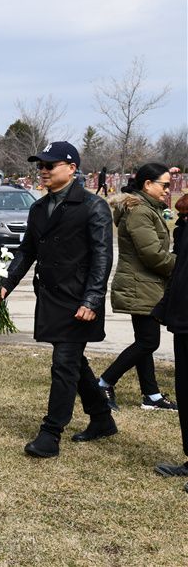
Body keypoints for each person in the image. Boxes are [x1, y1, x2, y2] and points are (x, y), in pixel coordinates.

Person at [0, 141, 115, 458]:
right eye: (41, 166)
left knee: (64, 363)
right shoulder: (38, 208)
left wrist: (92, 299)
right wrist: (6, 283)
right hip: (51, 298)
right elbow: (27, 252)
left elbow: (103, 258)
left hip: (79, 301)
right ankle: (101, 418)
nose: (43, 171)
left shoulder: (93, 206)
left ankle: (50, 434)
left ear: (72, 168)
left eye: (50, 165)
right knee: (73, 362)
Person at [98, 164, 177, 412]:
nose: (168, 190)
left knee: (145, 341)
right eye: (164, 185)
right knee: (148, 342)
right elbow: (153, 255)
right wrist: (182, 265)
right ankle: (103, 382)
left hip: (145, 285)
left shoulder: (146, 209)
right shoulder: (140, 212)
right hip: (140, 286)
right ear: (147, 184)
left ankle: (151, 395)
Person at [152, 193, 188, 491]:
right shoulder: (184, 229)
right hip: (183, 320)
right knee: (185, 392)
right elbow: (179, 273)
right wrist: (165, 307)